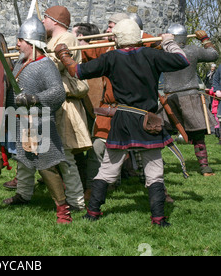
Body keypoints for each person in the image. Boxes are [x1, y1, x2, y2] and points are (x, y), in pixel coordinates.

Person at [55, 18, 190, 227]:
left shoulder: (111, 57)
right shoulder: (152, 55)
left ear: (117, 38)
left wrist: (64, 55)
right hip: (147, 120)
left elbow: (77, 72)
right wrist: (169, 42)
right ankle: (158, 218)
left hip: (123, 119)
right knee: (154, 171)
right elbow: (182, 60)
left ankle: (93, 213)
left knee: (108, 169)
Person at [0, 16, 72, 224]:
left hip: (36, 123)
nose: (17, 44)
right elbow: (9, 91)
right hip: (13, 122)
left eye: (20, 40)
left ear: (31, 42)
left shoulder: (45, 65)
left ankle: (63, 211)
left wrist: (35, 98)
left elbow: (58, 93)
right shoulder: (22, 63)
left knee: (46, 166)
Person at [3, 6, 91, 211]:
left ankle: (76, 200)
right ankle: (24, 193)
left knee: (61, 155)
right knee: (26, 153)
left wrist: (37, 56)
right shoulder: (37, 51)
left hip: (61, 106)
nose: (43, 22)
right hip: (33, 111)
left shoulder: (66, 40)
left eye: (46, 19)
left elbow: (51, 73)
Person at [162, 23, 218, 176]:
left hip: (169, 97)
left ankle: (155, 166)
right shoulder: (192, 50)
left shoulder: (162, 53)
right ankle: (205, 168)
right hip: (189, 97)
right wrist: (205, 39)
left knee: (161, 132)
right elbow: (213, 54)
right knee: (197, 135)